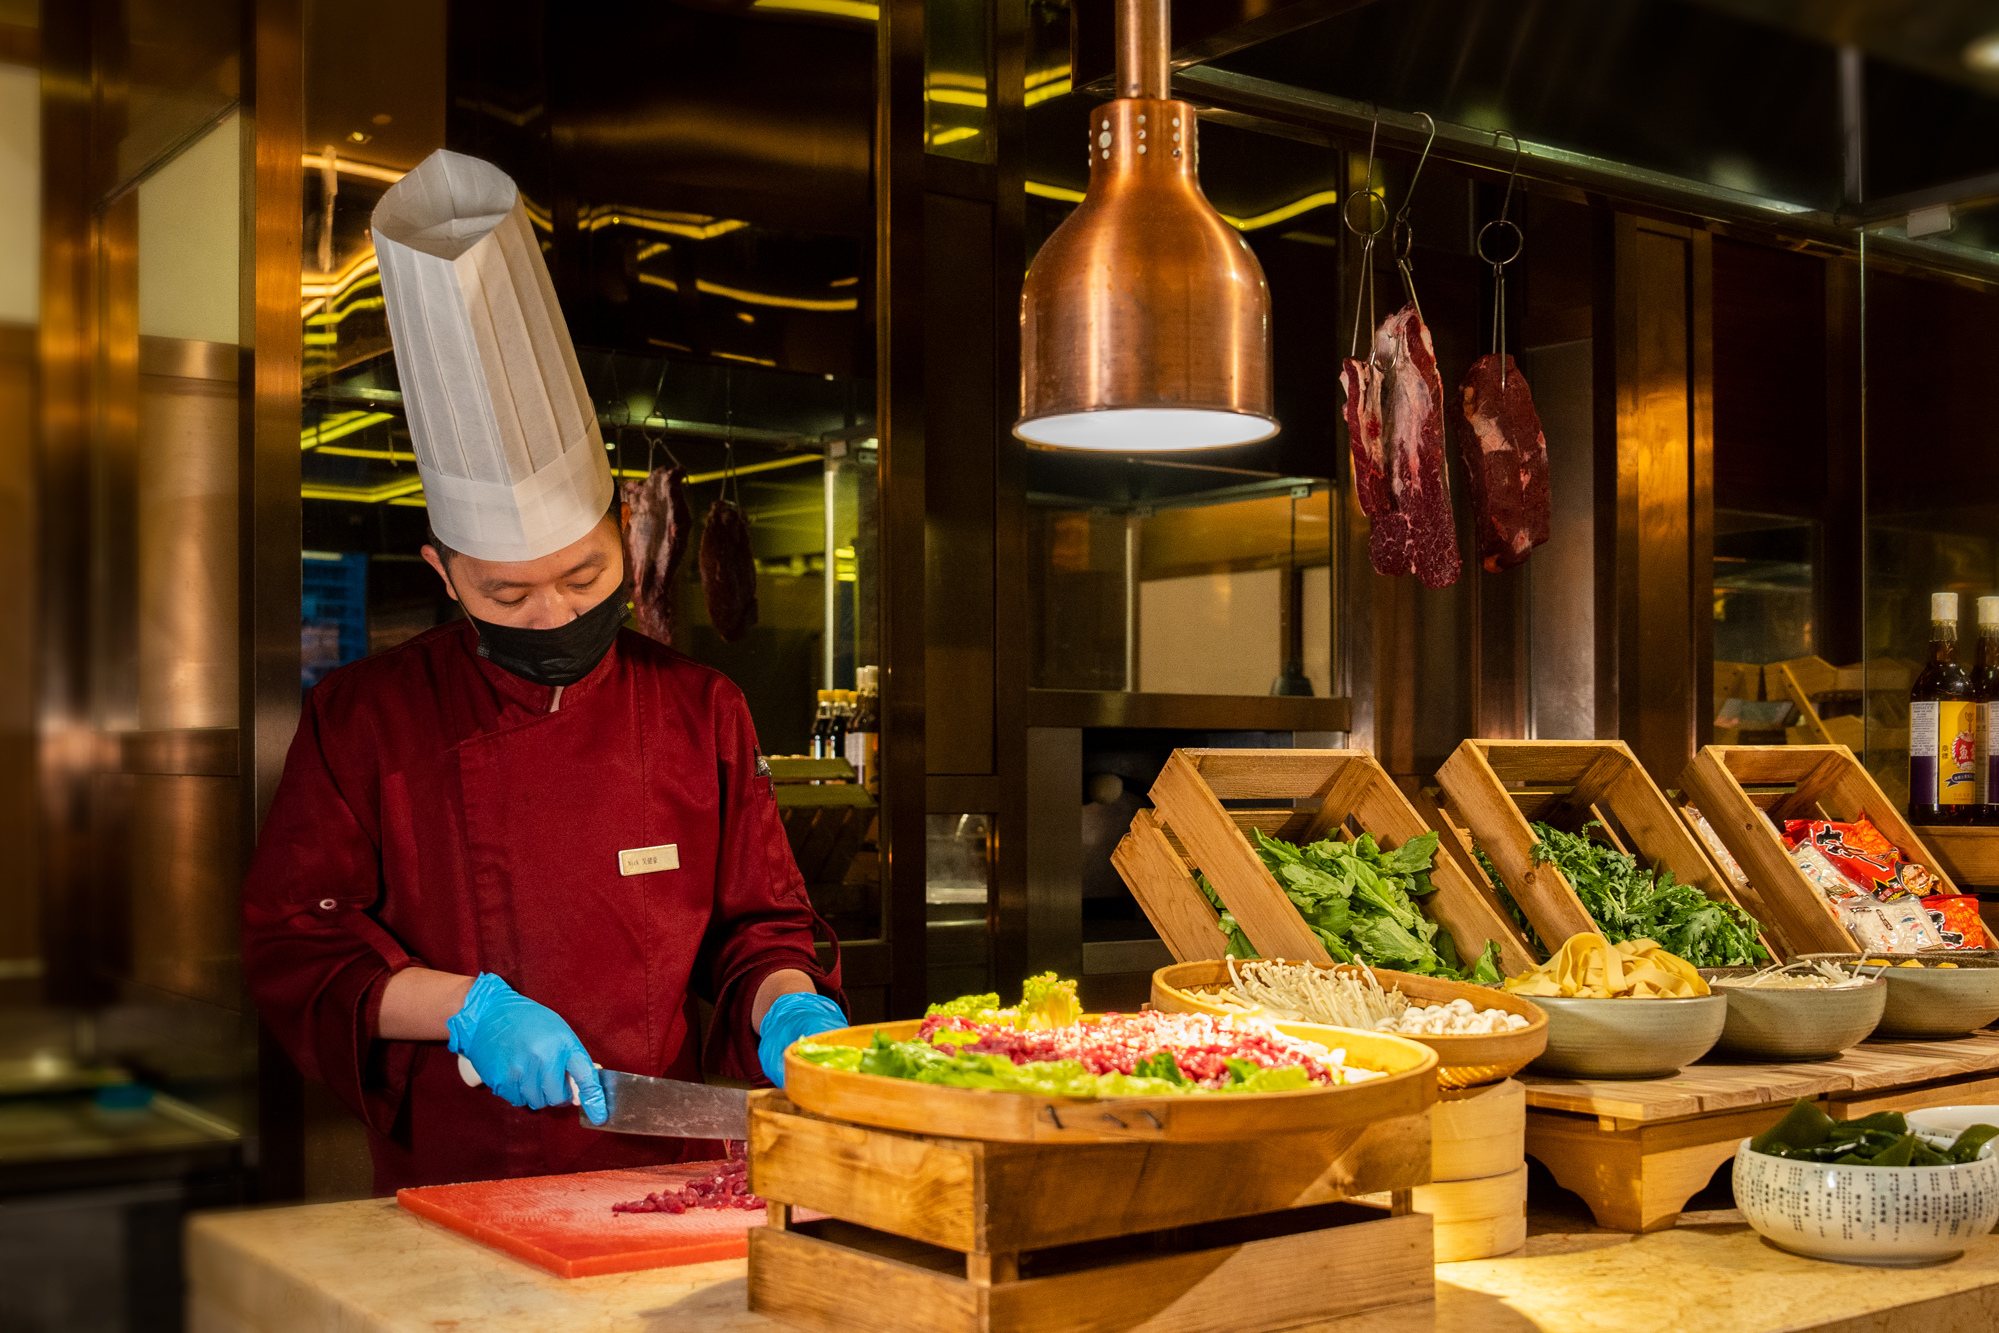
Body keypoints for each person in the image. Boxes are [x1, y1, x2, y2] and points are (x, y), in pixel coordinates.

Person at [242, 150, 848, 1193]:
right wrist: (465, 1007)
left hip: (675, 1167)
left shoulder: (700, 706)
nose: (556, 611)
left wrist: (787, 1003)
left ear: (624, 531)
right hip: (459, 1176)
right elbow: (298, 948)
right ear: (442, 572)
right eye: (507, 597)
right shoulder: (363, 719)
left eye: (582, 575)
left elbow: (760, 927)